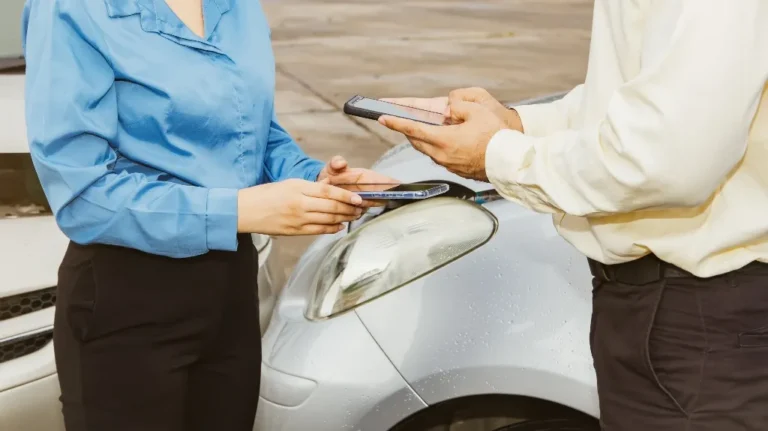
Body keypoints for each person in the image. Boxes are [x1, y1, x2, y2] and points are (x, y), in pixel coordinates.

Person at [380, 1, 768, 430]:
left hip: (702, 320)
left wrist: (498, 155)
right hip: (667, 313)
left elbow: (665, 161)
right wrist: (516, 124)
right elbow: (635, 96)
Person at [22, 1, 389, 430]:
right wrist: (239, 209)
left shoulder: (237, 7)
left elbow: (257, 132)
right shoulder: (71, 8)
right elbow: (83, 196)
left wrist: (316, 179)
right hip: (126, 305)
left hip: (231, 297)